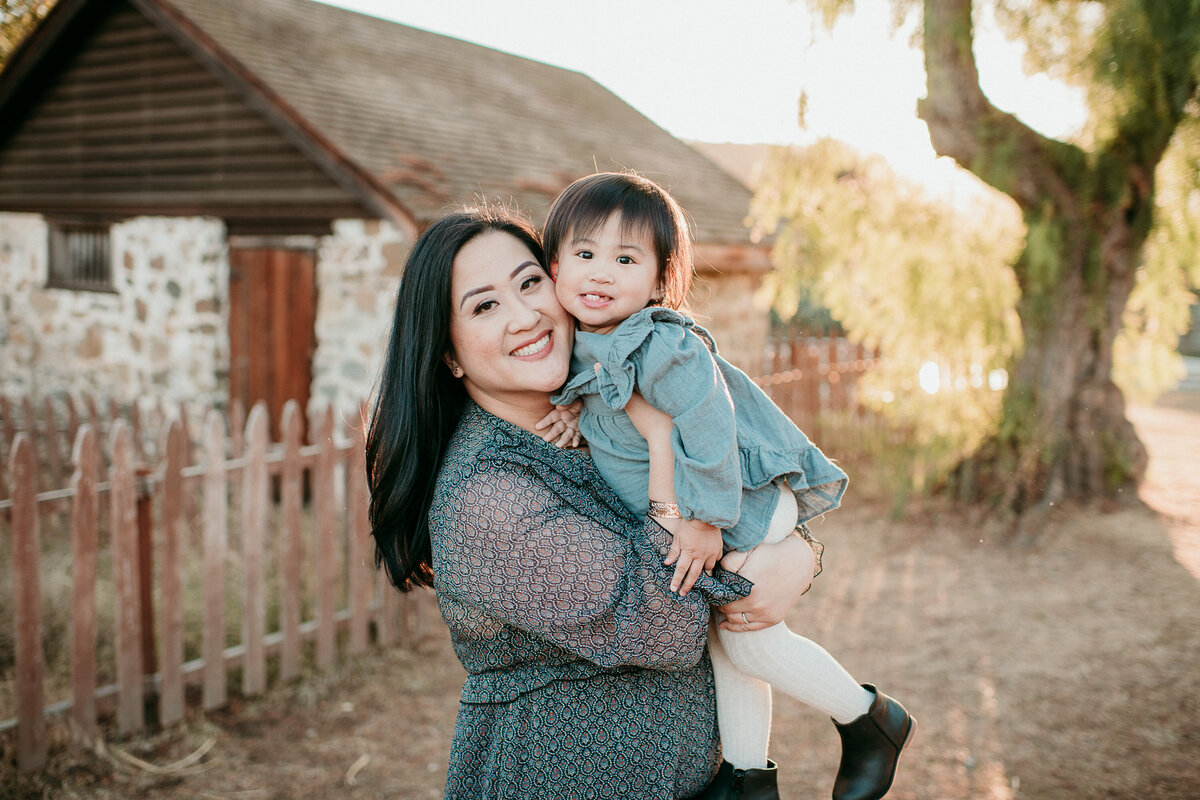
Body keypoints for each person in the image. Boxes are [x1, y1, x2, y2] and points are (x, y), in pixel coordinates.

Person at [365, 207, 819, 800]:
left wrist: (798, 552)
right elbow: (668, 625)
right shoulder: (487, 498)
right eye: (484, 306)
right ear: (448, 355)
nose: (526, 315)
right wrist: (661, 439)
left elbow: (740, 500)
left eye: (530, 283)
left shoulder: (596, 421)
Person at [546, 172, 915, 800]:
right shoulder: (581, 344)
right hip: (701, 514)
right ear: (555, 264)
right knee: (728, 642)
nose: (601, 273)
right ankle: (747, 779)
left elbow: (710, 426)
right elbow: (609, 404)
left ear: (660, 276)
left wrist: (702, 517)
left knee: (746, 642)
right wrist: (574, 412)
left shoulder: (659, 342)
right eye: (584, 255)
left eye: (625, 259)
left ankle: (869, 719)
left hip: (735, 504)